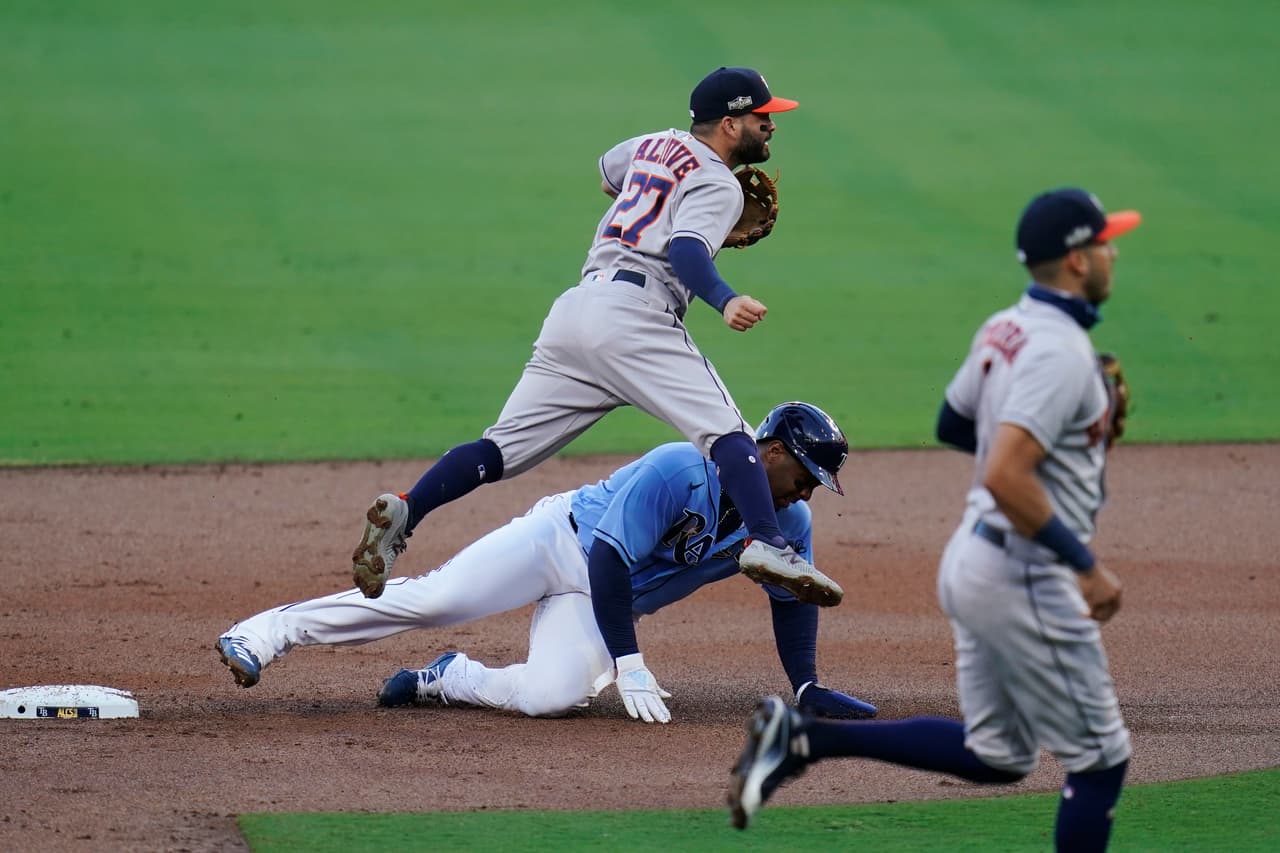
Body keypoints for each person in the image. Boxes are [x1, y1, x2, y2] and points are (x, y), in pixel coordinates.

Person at [727, 189, 1141, 852]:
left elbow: (954, 422)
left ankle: (803, 737)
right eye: (1104, 242)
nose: (1113, 252)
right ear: (1076, 261)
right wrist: (1085, 565)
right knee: (1100, 761)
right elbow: (1006, 473)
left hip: (976, 565)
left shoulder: (1005, 327)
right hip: (1026, 572)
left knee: (998, 752)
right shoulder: (1062, 353)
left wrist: (1064, 433)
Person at [351, 67, 842, 610]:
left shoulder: (656, 144)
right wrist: (725, 298)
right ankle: (770, 543)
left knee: (501, 448)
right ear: (730, 124)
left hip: (576, 312)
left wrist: (668, 205)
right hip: (636, 318)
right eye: (761, 117)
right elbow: (683, 251)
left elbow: (610, 176)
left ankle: (408, 508)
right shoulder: (720, 183)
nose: (770, 126)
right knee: (728, 433)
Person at [219, 402, 876, 723]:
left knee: (552, 697)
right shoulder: (680, 467)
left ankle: (449, 678)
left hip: (598, 598)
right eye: (806, 472)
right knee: (434, 599)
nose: (809, 490)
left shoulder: (789, 522)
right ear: (767, 450)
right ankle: (266, 631)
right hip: (558, 542)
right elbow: (612, 560)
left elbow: (791, 601)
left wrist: (809, 687)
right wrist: (629, 662)